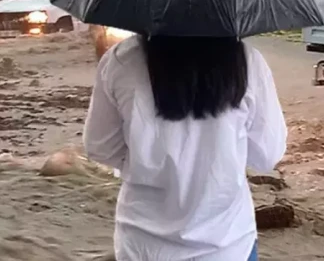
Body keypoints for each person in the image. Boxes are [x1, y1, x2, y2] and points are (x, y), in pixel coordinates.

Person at [84, 35, 287, 261]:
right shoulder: (248, 61)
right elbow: (267, 155)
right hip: (227, 245)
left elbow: (100, 147)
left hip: (143, 244)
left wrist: (144, 160)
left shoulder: (121, 60)